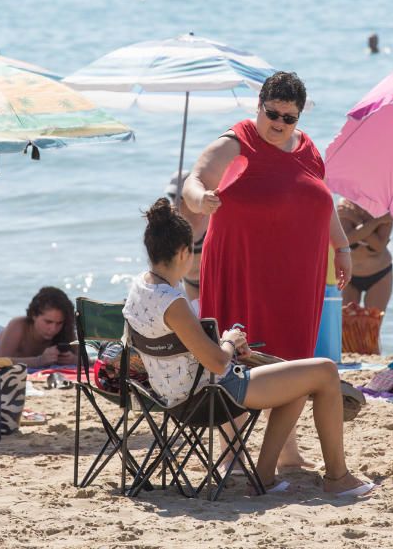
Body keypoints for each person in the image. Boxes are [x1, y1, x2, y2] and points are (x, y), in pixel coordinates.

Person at [123, 199, 373, 496]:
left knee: (294, 377)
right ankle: (337, 477)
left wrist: (223, 344)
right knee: (325, 371)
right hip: (206, 396)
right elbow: (217, 363)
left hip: (171, 392)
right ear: (182, 253)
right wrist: (228, 340)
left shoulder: (141, 287)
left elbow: (180, 345)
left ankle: (265, 475)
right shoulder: (172, 302)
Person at [182, 71, 352, 468]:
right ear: (259, 106)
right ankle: (231, 449)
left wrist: (341, 245)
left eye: (288, 117)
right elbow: (195, 179)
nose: (278, 123)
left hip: (297, 274)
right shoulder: (237, 141)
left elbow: (323, 202)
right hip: (242, 267)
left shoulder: (309, 150)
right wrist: (200, 199)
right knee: (238, 354)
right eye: (272, 113)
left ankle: (288, 451)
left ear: (299, 117)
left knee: (291, 358)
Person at [0, 286, 77, 368]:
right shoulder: (19, 325)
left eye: (59, 323)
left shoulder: (65, 329)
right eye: (48, 322)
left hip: (3, 334)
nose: (53, 328)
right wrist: (39, 361)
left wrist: (73, 359)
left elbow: (87, 361)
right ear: (34, 315)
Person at [337, 198, 393, 312]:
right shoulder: (345, 205)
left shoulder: (386, 208)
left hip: (379, 274)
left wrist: (357, 223)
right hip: (350, 276)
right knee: (347, 327)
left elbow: (379, 246)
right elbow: (347, 240)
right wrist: (376, 222)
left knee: (371, 326)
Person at [165, 171, 208, 305]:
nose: (175, 201)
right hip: (188, 283)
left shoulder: (210, 219)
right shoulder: (172, 224)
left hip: (212, 280)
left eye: (180, 197)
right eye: (172, 196)